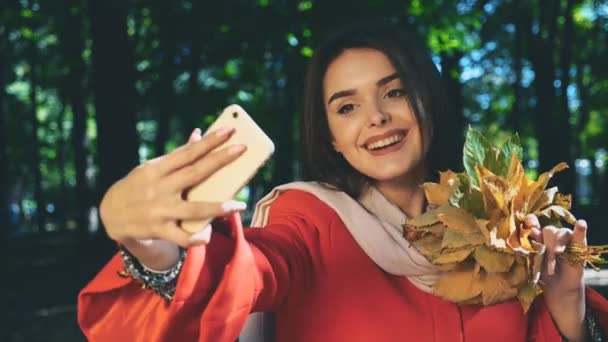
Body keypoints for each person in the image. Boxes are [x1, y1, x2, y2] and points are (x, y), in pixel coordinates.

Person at [78, 21, 608, 342]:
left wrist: (570, 314)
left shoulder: (496, 226)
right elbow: (252, 271)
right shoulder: (307, 219)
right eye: (347, 106)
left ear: (428, 100)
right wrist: (155, 250)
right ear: (331, 136)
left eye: (394, 92)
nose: (375, 118)